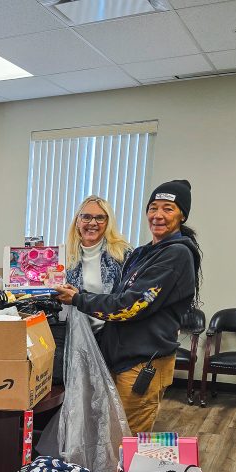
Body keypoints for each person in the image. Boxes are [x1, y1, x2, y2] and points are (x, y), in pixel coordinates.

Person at [56, 180, 203, 433]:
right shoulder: (144, 253)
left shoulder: (176, 254)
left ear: (182, 216)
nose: (158, 215)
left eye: (168, 209)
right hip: (119, 358)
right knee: (111, 434)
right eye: (153, 208)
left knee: (127, 439)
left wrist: (79, 298)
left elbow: (131, 305)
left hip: (142, 363)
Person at [63, 195, 131, 329]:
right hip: (77, 333)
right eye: (86, 217)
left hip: (112, 334)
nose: (92, 223)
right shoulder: (65, 256)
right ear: (78, 221)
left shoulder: (124, 255)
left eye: (100, 218)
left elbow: (128, 301)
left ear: (108, 223)